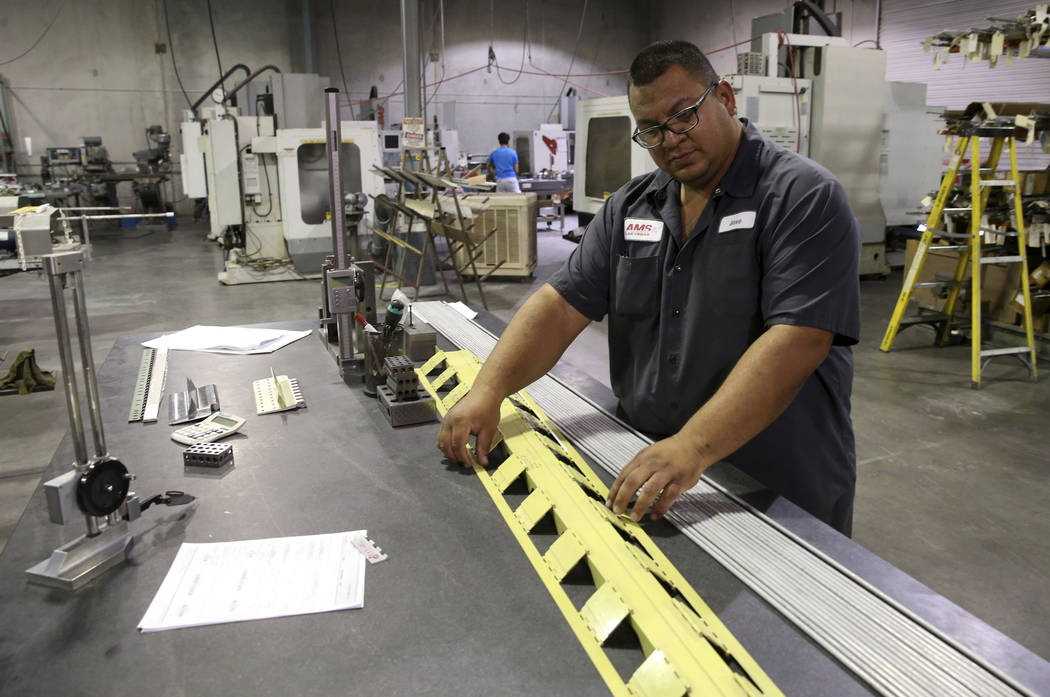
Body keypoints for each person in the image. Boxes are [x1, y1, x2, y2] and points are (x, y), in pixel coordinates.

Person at [439, 40, 860, 535]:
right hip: (658, 469)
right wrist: (489, 391)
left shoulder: (800, 196)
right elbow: (561, 305)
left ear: (724, 97)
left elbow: (798, 339)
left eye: (684, 115)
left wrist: (693, 446)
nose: (671, 138)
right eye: (652, 130)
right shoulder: (631, 207)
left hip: (775, 480)